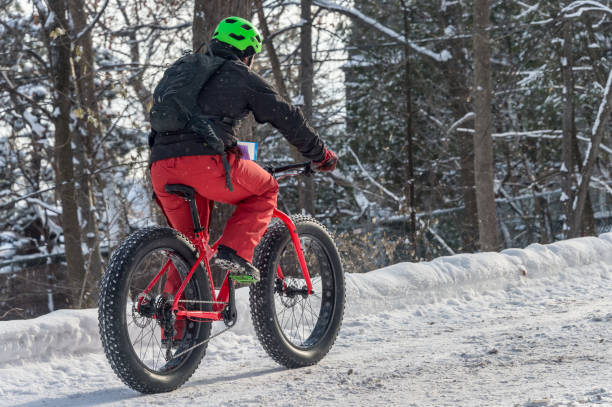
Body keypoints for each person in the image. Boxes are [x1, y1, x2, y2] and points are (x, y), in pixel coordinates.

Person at [149, 16, 337, 284]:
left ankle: (176, 316)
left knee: (189, 250)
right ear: (247, 53)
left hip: (161, 167)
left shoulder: (183, 71)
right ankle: (235, 252)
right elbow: (287, 116)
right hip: (206, 163)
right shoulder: (240, 74)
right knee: (266, 188)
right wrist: (321, 154)